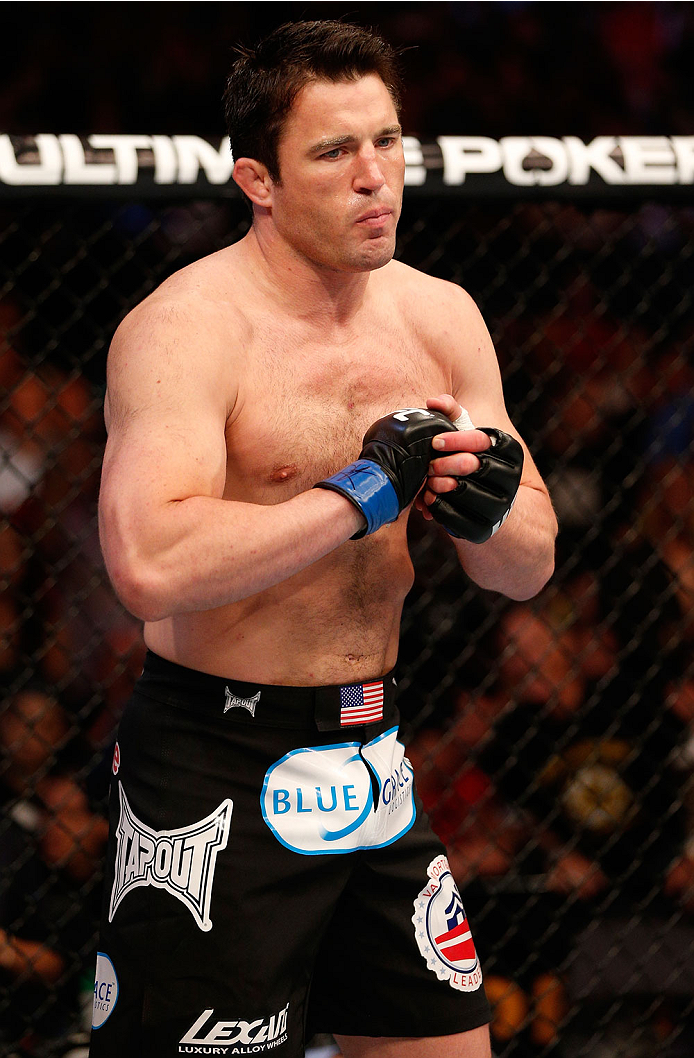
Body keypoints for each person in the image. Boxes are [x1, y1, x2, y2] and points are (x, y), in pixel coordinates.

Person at [91, 19, 556, 1058]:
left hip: (369, 755)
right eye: (335, 152)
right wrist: (358, 494)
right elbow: (149, 562)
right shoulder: (187, 328)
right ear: (258, 177)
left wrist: (485, 507)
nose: (374, 177)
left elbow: (528, 567)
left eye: (386, 142)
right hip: (214, 767)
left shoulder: (440, 316)